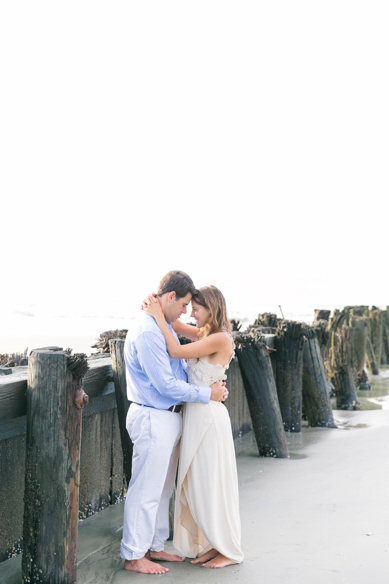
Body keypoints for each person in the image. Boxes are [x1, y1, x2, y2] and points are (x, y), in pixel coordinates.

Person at [120, 271, 228, 575]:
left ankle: (153, 546)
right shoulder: (148, 332)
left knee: (162, 489)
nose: (185, 312)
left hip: (168, 417)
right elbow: (166, 386)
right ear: (170, 298)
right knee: (145, 489)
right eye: (183, 305)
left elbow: (181, 366)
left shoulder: (162, 324)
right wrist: (208, 393)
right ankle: (133, 555)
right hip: (152, 416)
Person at [143, 284, 244, 569]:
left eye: (197, 310)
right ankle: (213, 543)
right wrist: (156, 305)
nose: (192, 315)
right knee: (196, 485)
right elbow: (173, 323)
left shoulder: (220, 339)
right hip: (197, 417)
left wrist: (160, 318)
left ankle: (229, 550)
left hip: (209, 420)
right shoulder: (206, 334)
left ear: (211, 310)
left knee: (211, 485)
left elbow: (175, 350)